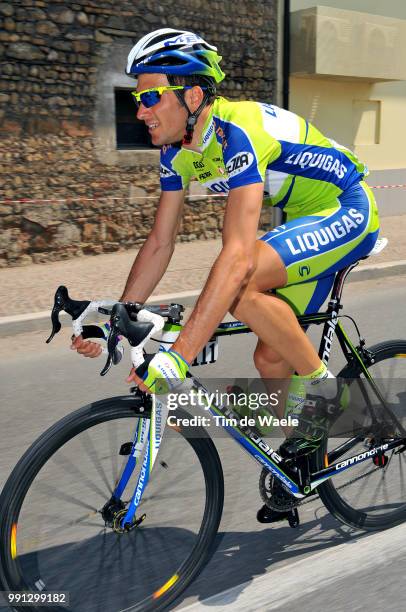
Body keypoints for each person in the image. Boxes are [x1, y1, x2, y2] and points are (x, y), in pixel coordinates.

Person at [71, 28, 380, 522]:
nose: (140, 110)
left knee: (241, 283)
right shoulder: (178, 151)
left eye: (150, 97)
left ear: (193, 95)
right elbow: (160, 243)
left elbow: (237, 255)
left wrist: (179, 356)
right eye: (136, 98)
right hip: (300, 221)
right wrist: (117, 317)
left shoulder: (238, 131)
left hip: (343, 208)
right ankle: (302, 452)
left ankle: (327, 395)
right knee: (268, 354)